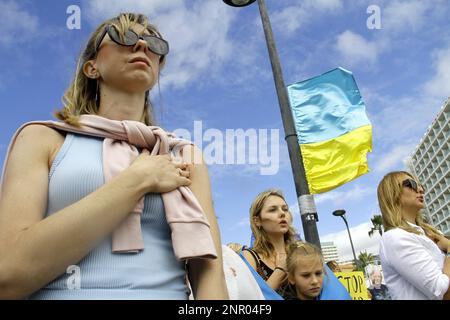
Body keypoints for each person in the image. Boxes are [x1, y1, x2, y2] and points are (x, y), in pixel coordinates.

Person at [0, 13, 228, 300]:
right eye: (125, 37)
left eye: (154, 43)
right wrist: (136, 180)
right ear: (92, 67)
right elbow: (7, 275)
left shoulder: (184, 154)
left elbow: (210, 278)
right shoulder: (42, 138)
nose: (142, 45)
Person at [377, 171, 450, 300]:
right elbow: (442, 292)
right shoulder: (395, 237)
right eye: (411, 184)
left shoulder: (429, 233)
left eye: (421, 185)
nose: (421, 189)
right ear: (392, 193)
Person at [241, 189, 298, 294]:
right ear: (257, 221)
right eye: (272, 210)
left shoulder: (301, 251)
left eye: (285, 209)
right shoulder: (250, 257)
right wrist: (281, 270)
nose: (282, 213)